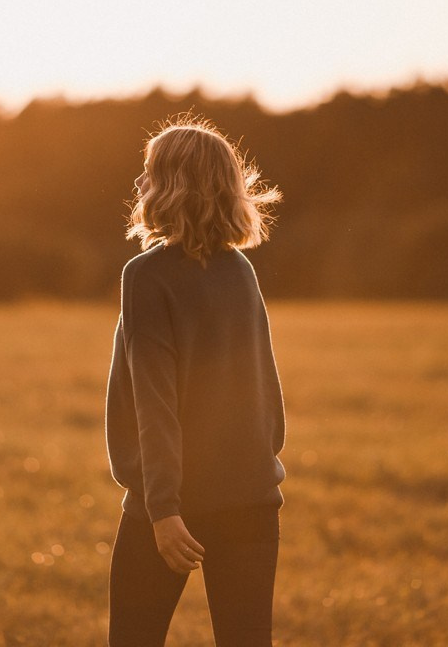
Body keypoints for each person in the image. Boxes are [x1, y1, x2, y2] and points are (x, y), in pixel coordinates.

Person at [105, 116, 286, 646]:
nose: (139, 185)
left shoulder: (145, 275)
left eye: (148, 172)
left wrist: (163, 510)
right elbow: (264, 390)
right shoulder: (240, 271)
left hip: (170, 509)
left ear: (172, 185)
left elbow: (154, 402)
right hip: (254, 500)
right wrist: (258, 467)